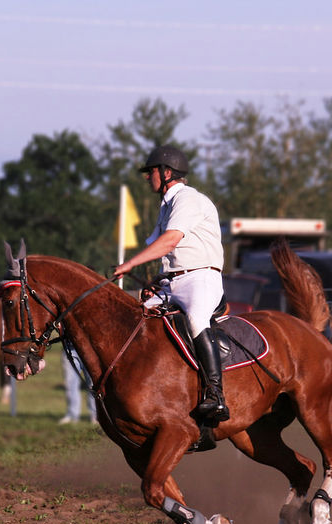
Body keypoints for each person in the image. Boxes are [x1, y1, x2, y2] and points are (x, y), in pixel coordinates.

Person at [113, 144, 229, 422]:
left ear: (166, 172)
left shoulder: (188, 199)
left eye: (150, 172)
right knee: (138, 318)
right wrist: (157, 279)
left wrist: (129, 264)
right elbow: (167, 251)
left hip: (201, 278)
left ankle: (216, 395)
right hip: (174, 282)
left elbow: (169, 242)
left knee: (196, 320)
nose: (147, 177)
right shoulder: (166, 205)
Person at [59, 347, 97, 425]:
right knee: (70, 384)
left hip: (89, 349)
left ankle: (96, 415)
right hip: (69, 349)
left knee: (92, 385)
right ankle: (72, 415)